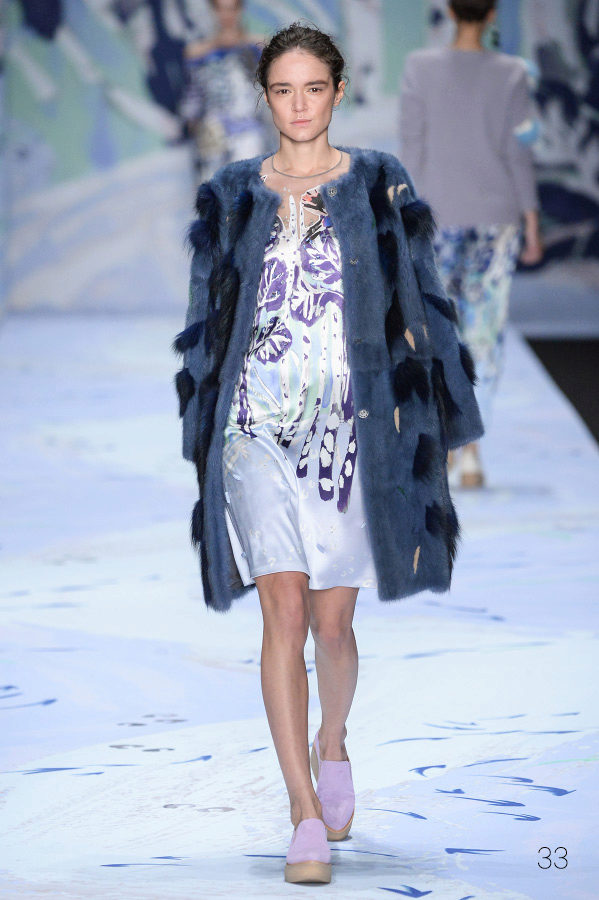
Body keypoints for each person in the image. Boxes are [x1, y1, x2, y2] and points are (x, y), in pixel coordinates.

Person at [173, 22, 482, 885]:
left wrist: (441, 419)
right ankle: (303, 812)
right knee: (281, 614)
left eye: (314, 88)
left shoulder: (378, 182)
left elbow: (423, 299)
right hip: (255, 424)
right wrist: (203, 430)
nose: (299, 105)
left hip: (350, 428)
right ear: (265, 97)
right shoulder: (232, 193)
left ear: (338, 92)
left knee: (333, 625)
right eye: (283, 90)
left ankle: (333, 740)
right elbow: (205, 322)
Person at [399, 0, 543, 488]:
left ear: (450, 9)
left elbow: (411, 149)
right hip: (496, 221)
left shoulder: (419, 67)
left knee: (436, 331)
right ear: (493, 14)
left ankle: (444, 444)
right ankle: (472, 453)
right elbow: (518, 154)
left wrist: (401, 218)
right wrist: (532, 222)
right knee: (482, 333)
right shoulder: (512, 72)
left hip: (435, 219)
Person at [180, 0, 272, 183]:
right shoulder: (198, 53)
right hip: (213, 136)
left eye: (231, 9)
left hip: (248, 131)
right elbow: (192, 95)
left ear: (240, 10)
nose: (226, 15)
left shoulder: (257, 46)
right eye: (220, 9)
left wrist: (240, 41)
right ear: (212, 11)